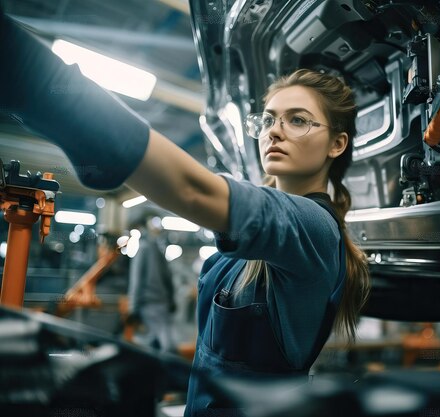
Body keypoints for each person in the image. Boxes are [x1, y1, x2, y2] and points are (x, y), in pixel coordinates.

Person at [0, 11, 370, 417]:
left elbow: (191, 189)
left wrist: (38, 79)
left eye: (297, 120)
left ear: (337, 144)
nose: (274, 131)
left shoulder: (315, 227)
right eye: (267, 120)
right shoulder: (264, 228)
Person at [127, 215, 177, 353]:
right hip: (162, 303)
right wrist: (171, 299)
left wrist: (132, 308)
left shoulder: (142, 249)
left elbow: (136, 280)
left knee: (157, 345)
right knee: (161, 341)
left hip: (148, 305)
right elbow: (168, 277)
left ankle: (172, 370)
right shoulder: (157, 249)